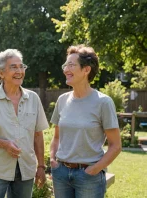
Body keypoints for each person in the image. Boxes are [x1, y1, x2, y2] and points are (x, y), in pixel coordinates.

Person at [0, 49, 49, 198]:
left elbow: (38, 135)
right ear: (1, 73)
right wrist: (3, 144)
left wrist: (41, 166)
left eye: (21, 66)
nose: (19, 71)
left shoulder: (33, 98)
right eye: (13, 67)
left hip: (26, 169)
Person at [50, 45, 122, 198]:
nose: (65, 69)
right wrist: (53, 161)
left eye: (71, 65)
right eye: (65, 65)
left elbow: (115, 146)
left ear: (86, 70)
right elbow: (56, 138)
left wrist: (94, 169)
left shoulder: (103, 102)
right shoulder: (62, 100)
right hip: (61, 174)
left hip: (89, 176)